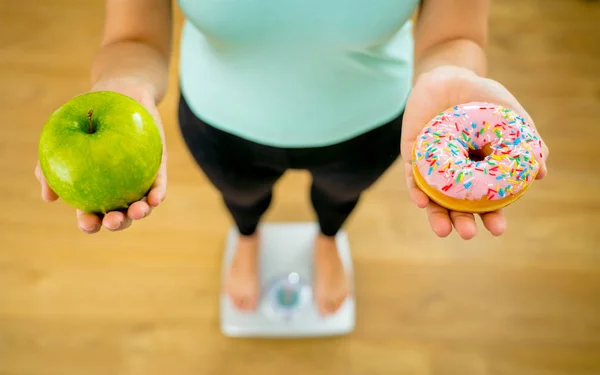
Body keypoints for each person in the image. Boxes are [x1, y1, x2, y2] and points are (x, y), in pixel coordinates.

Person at [35, 0, 549, 316]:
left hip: (370, 124)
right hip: (220, 122)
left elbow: (454, 33)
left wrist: (450, 77)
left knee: (340, 197)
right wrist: (121, 89)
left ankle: (328, 239)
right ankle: (247, 237)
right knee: (241, 198)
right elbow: (134, 36)